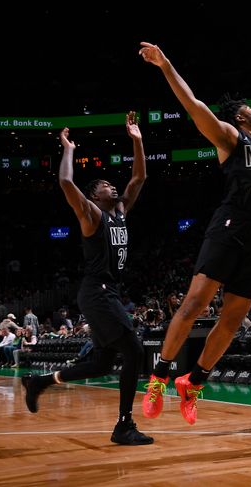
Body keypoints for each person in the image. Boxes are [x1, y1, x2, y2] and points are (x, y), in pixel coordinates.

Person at [138, 41, 251, 425]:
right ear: (240, 116)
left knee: (234, 319)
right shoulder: (230, 138)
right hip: (230, 223)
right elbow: (194, 106)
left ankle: (194, 381)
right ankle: (159, 376)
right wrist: (166, 65)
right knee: (196, 302)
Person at [21, 112, 152, 445]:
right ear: (95, 196)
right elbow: (66, 183)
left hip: (108, 294)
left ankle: (40, 383)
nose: (114, 186)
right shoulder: (92, 215)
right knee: (135, 351)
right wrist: (68, 149)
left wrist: (137, 140)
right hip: (97, 294)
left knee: (102, 365)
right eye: (108, 185)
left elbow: (139, 178)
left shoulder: (120, 211)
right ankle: (124, 425)